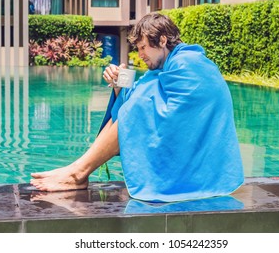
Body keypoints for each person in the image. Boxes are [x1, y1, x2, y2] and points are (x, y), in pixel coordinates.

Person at [31, 12, 244, 202]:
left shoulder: (188, 62)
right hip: (187, 131)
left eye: (143, 47)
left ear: (162, 40)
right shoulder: (168, 65)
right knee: (136, 104)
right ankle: (76, 170)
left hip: (198, 149)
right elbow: (139, 96)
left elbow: (191, 105)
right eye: (137, 48)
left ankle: (77, 173)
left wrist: (136, 98)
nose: (140, 54)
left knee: (138, 108)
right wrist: (119, 85)